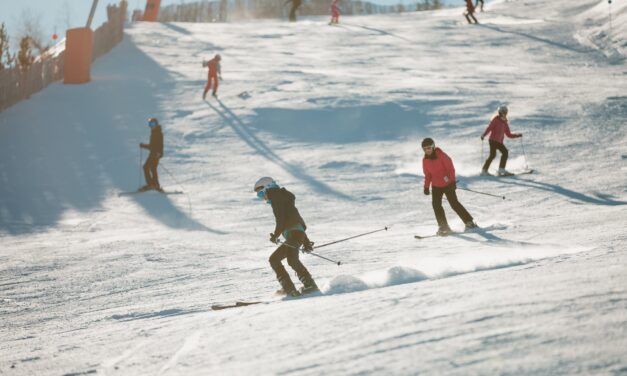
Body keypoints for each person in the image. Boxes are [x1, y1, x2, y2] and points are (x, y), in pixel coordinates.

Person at [254, 177, 318, 297]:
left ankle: (302, 287)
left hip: (294, 235)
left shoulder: (276, 196)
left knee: (280, 260)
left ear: (268, 188)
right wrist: (306, 242)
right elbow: (298, 221)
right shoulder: (283, 197)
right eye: (259, 195)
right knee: (283, 259)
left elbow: (281, 220)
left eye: (261, 193)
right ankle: (293, 288)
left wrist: (275, 235)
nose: (262, 197)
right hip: (295, 235)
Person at [422, 138, 478, 236]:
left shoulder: (442, 156)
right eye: (425, 149)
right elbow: (428, 175)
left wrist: (452, 182)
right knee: (436, 205)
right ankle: (443, 226)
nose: (427, 150)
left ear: (433, 146)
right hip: (436, 186)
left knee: (454, 204)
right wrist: (426, 187)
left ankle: (469, 222)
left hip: (447, 184)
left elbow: (451, 169)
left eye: (429, 148)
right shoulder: (425, 160)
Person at [480, 105, 522, 176]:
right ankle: (484, 170)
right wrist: (483, 135)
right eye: (503, 112)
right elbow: (489, 128)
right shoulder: (495, 120)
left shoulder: (505, 122)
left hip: (499, 142)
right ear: (500, 112)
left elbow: (508, 134)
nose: (505, 114)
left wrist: (517, 135)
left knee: (505, 152)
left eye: (506, 112)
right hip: (493, 140)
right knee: (493, 155)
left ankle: (501, 169)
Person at [139, 118, 164, 192]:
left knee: (147, 167)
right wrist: (144, 146)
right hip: (153, 153)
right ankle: (154, 184)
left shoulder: (158, 133)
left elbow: (160, 145)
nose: (151, 126)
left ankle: (152, 184)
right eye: (150, 124)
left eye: (153, 124)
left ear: (156, 124)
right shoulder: (154, 132)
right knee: (151, 168)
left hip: (156, 154)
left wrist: (159, 153)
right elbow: (152, 146)